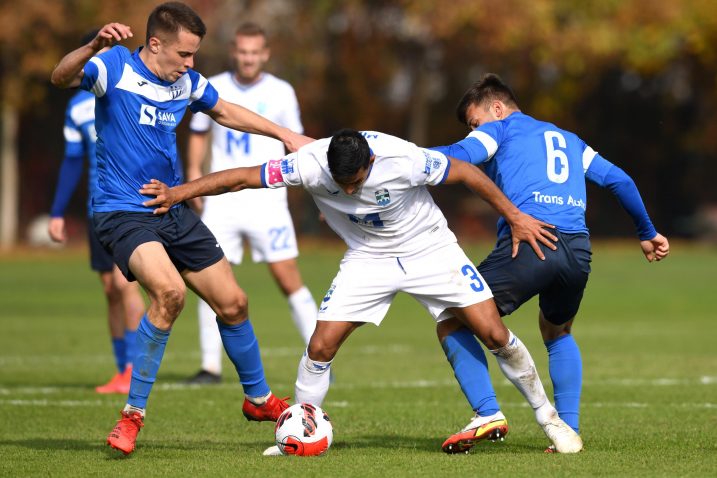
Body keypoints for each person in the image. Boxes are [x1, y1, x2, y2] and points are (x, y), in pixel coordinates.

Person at [141, 128, 584, 454]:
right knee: (321, 344)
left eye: (356, 181)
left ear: (370, 161)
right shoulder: (310, 162)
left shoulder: (404, 157)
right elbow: (241, 177)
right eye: (342, 182)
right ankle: (301, 431)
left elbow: (467, 173)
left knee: (492, 331)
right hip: (367, 258)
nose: (349, 190)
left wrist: (515, 216)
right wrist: (180, 192)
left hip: (430, 248)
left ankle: (550, 420)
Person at [50, 2, 311, 455]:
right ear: (155, 45)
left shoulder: (185, 83)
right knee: (169, 294)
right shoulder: (114, 66)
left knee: (234, 303)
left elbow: (226, 111)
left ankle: (258, 399)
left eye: (195, 56)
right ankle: (132, 416)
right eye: (184, 55)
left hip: (171, 207)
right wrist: (93, 44)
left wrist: (284, 135)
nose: (191, 65)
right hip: (121, 212)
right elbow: (60, 77)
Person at [430, 73, 670, 452]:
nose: (474, 132)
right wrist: (647, 231)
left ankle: (487, 412)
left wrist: (399, 161)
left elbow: (458, 156)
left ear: (496, 108)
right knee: (557, 331)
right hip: (577, 251)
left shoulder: (501, 129)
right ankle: (567, 432)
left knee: (451, 318)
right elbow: (619, 180)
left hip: (530, 243)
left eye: (475, 123)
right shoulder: (569, 139)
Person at [184, 22, 317, 385]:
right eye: (242, 51)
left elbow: (296, 142)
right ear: (234, 51)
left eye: (254, 52)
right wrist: (195, 176)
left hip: (267, 200)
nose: (248, 58)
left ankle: (320, 357)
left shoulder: (281, 92)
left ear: (265, 53)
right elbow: (198, 134)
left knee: (288, 278)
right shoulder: (215, 86)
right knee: (208, 277)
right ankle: (210, 366)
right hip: (222, 200)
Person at [48, 30, 147, 395]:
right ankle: (122, 369)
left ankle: (138, 369)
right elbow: (73, 161)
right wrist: (57, 212)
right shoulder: (76, 107)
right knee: (110, 289)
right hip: (97, 208)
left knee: (125, 285)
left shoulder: (132, 92)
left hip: (130, 207)